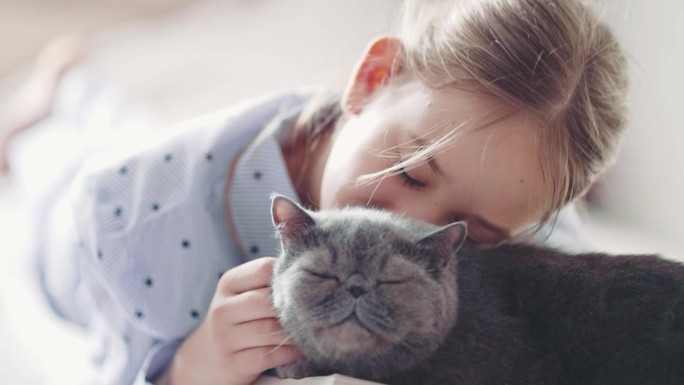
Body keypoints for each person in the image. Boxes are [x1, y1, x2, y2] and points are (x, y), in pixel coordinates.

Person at [0, 0, 629, 384]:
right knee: (53, 158)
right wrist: (195, 365)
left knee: (125, 121)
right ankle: (55, 89)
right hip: (77, 226)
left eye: (476, 237)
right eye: (410, 173)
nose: (406, 228)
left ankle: (76, 85)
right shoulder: (135, 212)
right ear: (373, 78)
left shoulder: (521, 211)